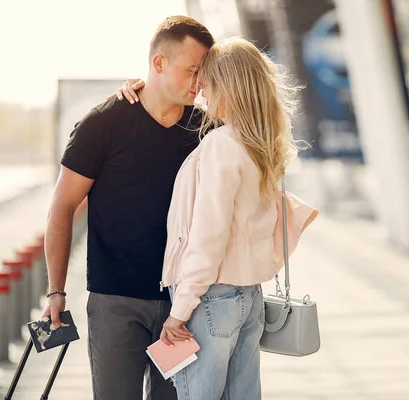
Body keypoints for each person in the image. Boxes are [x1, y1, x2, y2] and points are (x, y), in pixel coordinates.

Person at [120, 37, 318, 399]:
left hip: (212, 298)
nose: (200, 92)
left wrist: (179, 312)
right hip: (249, 297)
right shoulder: (261, 144)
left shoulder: (221, 144)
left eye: (207, 82)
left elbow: (209, 237)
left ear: (228, 85)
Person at [42, 16, 214, 400]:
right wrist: (56, 290)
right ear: (158, 64)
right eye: (192, 70)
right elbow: (62, 206)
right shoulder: (103, 124)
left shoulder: (208, 131)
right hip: (115, 303)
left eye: (204, 72)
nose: (199, 81)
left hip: (182, 309)